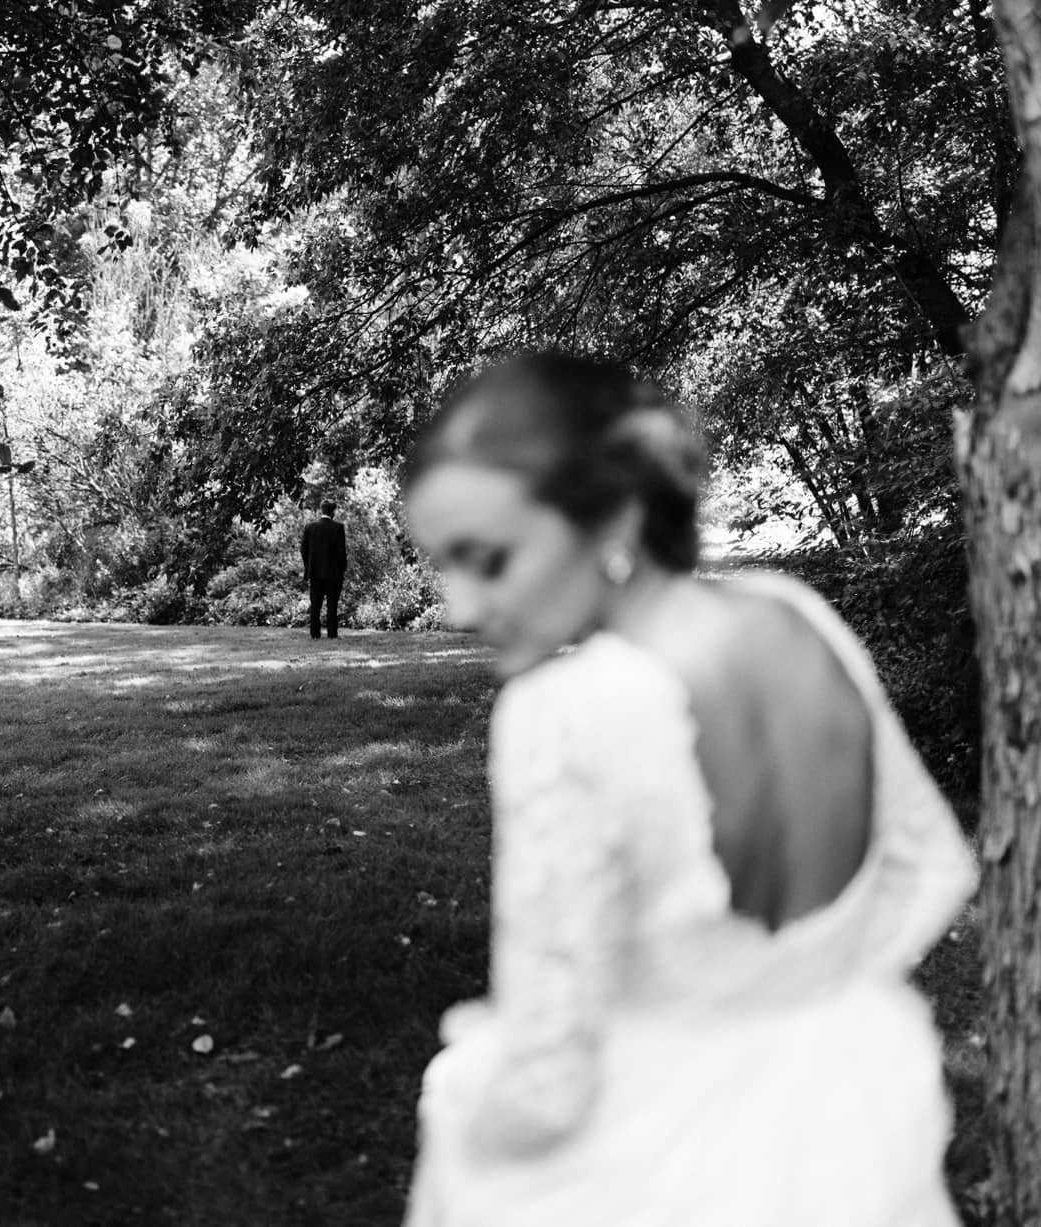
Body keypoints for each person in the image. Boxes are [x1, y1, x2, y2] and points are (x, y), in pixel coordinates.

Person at [398, 352, 977, 1226]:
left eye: (489, 558)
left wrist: (464, 1099)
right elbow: (930, 866)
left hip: (656, 1163)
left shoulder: (562, 709)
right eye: (445, 564)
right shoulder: (795, 611)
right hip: (847, 1124)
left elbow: (548, 1079)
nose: (460, 606)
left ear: (612, 516)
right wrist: (804, 1010)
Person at [301, 500, 349, 639]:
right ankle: (332, 634)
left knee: (315, 605)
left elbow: (303, 550)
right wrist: (342, 569)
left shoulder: (310, 527)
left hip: (315, 573)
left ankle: (315, 634)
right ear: (333, 512)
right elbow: (341, 552)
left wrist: (308, 566)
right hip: (334, 574)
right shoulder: (338, 527)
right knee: (332, 605)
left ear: (321, 510)